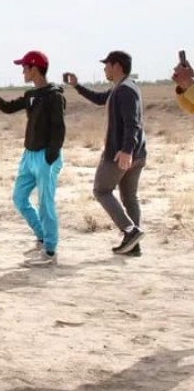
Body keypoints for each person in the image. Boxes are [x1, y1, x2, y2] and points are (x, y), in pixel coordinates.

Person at [0, 50, 66, 267]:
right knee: (19, 198)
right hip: (28, 156)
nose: (22, 71)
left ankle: (50, 251)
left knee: (45, 204)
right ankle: (43, 235)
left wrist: (50, 157)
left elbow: (59, 129)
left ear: (34, 69)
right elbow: (8, 108)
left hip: (46, 156)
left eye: (24, 67)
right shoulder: (31, 95)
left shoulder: (55, 96)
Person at [64, 51, 146, 256]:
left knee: (101, 190)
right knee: (129, 197)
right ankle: (132, 245)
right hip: (136, 152)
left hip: (121, 154)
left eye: (106, 65)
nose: (104, 69)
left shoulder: (125, 90)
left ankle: (130, 230)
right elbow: (100, 99)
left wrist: (126, 150)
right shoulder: (120, 88)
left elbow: (132, 123)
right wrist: (77, 86)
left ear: (117, 66)